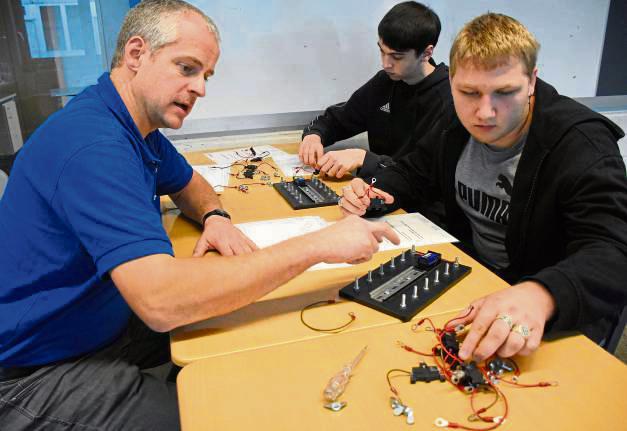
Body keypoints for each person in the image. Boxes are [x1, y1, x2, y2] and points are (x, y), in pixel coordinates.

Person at [0, 1, 399, 429]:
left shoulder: (132, 125)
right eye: (187, 68)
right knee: (222, 414)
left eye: (206, 75)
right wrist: (318, 245)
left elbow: (192, 186)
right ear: (136, 54)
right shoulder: (95, 146)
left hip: (97, 320)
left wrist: (215, 217)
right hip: (37, 368)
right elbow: (161, 302)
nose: (201, 89)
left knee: (254, 330)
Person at [339, 13, 627, 362]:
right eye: (468, 92)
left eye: (505, 93)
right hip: (477, 281)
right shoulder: (454, 120)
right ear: (452, 82)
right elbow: (416, 170)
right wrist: (373, 190)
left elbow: (613, 251)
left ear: (532, 81)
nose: (484, 113)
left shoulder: (581, 145)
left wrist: (540, 294)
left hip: (548, 309)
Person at [299, 1, 451, 179]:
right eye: (382, 51)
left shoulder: (448, 99)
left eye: (396, 57)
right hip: (376, 191)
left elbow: (425, 174)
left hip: (417, 203)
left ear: (427, 53)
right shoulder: (385, 81)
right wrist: (314, 136)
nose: (386, 64)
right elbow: (338, 119)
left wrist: (364, 158)